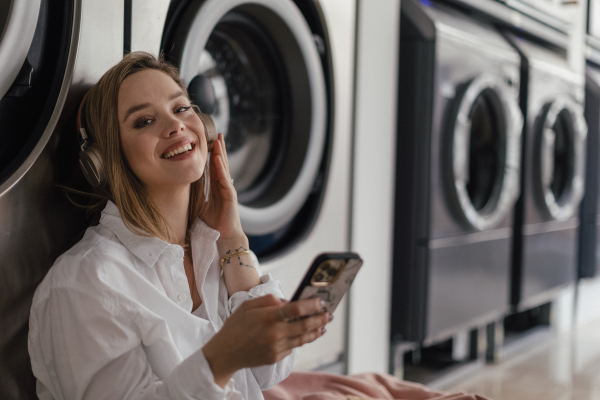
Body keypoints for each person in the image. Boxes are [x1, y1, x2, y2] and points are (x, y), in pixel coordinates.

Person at [28, 51, 332, 400]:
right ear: (104, 159)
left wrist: (234, 238)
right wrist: (220, 359)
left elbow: (269, 371)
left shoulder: (215, 247)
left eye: (181, 108)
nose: (175, 126)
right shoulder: (84, 283)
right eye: (144, 121)